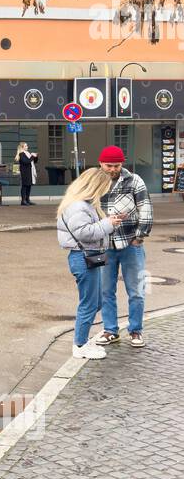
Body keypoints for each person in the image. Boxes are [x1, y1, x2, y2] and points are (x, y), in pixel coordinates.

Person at [57, 168, 121, 359]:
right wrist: (108, 223)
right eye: (104, 188)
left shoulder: (83, 205)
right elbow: (84, 232)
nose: (105, 192)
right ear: (95, 186)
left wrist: (109, 222)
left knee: (95, 302)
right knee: (89, 304)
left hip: (88, 257)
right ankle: (80, 345)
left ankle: (82, 340)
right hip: (83, 257)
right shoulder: (79, 206)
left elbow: (89, 230)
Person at [96, 144, 153, 349]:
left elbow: (145, 208)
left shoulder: (134, 181)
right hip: (104, 245)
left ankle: (135, 330)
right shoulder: (94, 182)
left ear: (122, 164)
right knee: (105, 291)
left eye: (116, 165)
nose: (112, 169)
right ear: (100, 163)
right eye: (109, 165)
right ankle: (111, 330)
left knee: (136, 290)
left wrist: (140, 236)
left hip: (131, 244)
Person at [16, 141, 39, 206]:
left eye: (27, 146)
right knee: (25, 186)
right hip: (25, 172)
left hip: (30, 171)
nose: (27, 147)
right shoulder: (21, 154)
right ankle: (23, 201)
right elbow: (26, 161)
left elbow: (34, 161)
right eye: (26, 146)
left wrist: (35, 156)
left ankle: (27, 199)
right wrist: (32, 156)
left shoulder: (27, 153)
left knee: (29, 185)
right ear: (22, 147)